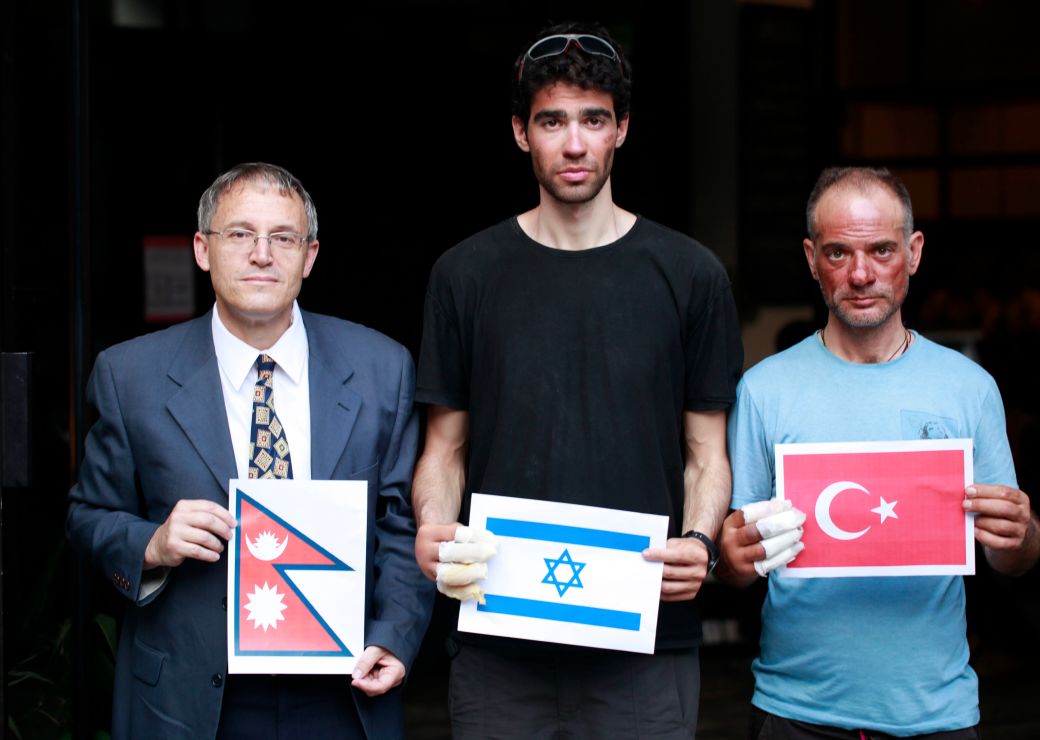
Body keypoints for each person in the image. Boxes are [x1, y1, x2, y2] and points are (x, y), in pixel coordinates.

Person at [411, 21, 743, 739]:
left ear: (621, 129)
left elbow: (706, 454)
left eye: (593, 120)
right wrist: (434, 528)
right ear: (519, 132)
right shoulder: (464, 275)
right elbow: (444, 450)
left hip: (643, 638)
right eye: (552, 120)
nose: (573, 143)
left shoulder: (691, 275)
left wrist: (700, 541)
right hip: (499, 639)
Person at [66, 163, 433, 739]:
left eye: (282, 238)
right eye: (239, 234)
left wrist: (396, 633)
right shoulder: (129, 374)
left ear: (309, 257)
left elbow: (403, 523)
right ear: (202, 249)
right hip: (192, 697)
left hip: (343, 691)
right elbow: (88, 516)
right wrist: (154, 543)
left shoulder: (381, 368)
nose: (262, 254)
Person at [717, 166, 1040, 739]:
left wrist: (1022, 535)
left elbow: (1011, 558)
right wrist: (731, 556)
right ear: (811, 258)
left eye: (882, 250)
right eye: (839, 253)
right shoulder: (763, 389)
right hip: (796, 711)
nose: (862, 274)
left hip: (935, 713)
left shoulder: (969, 387)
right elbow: (737, 562)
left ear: (914, 252)